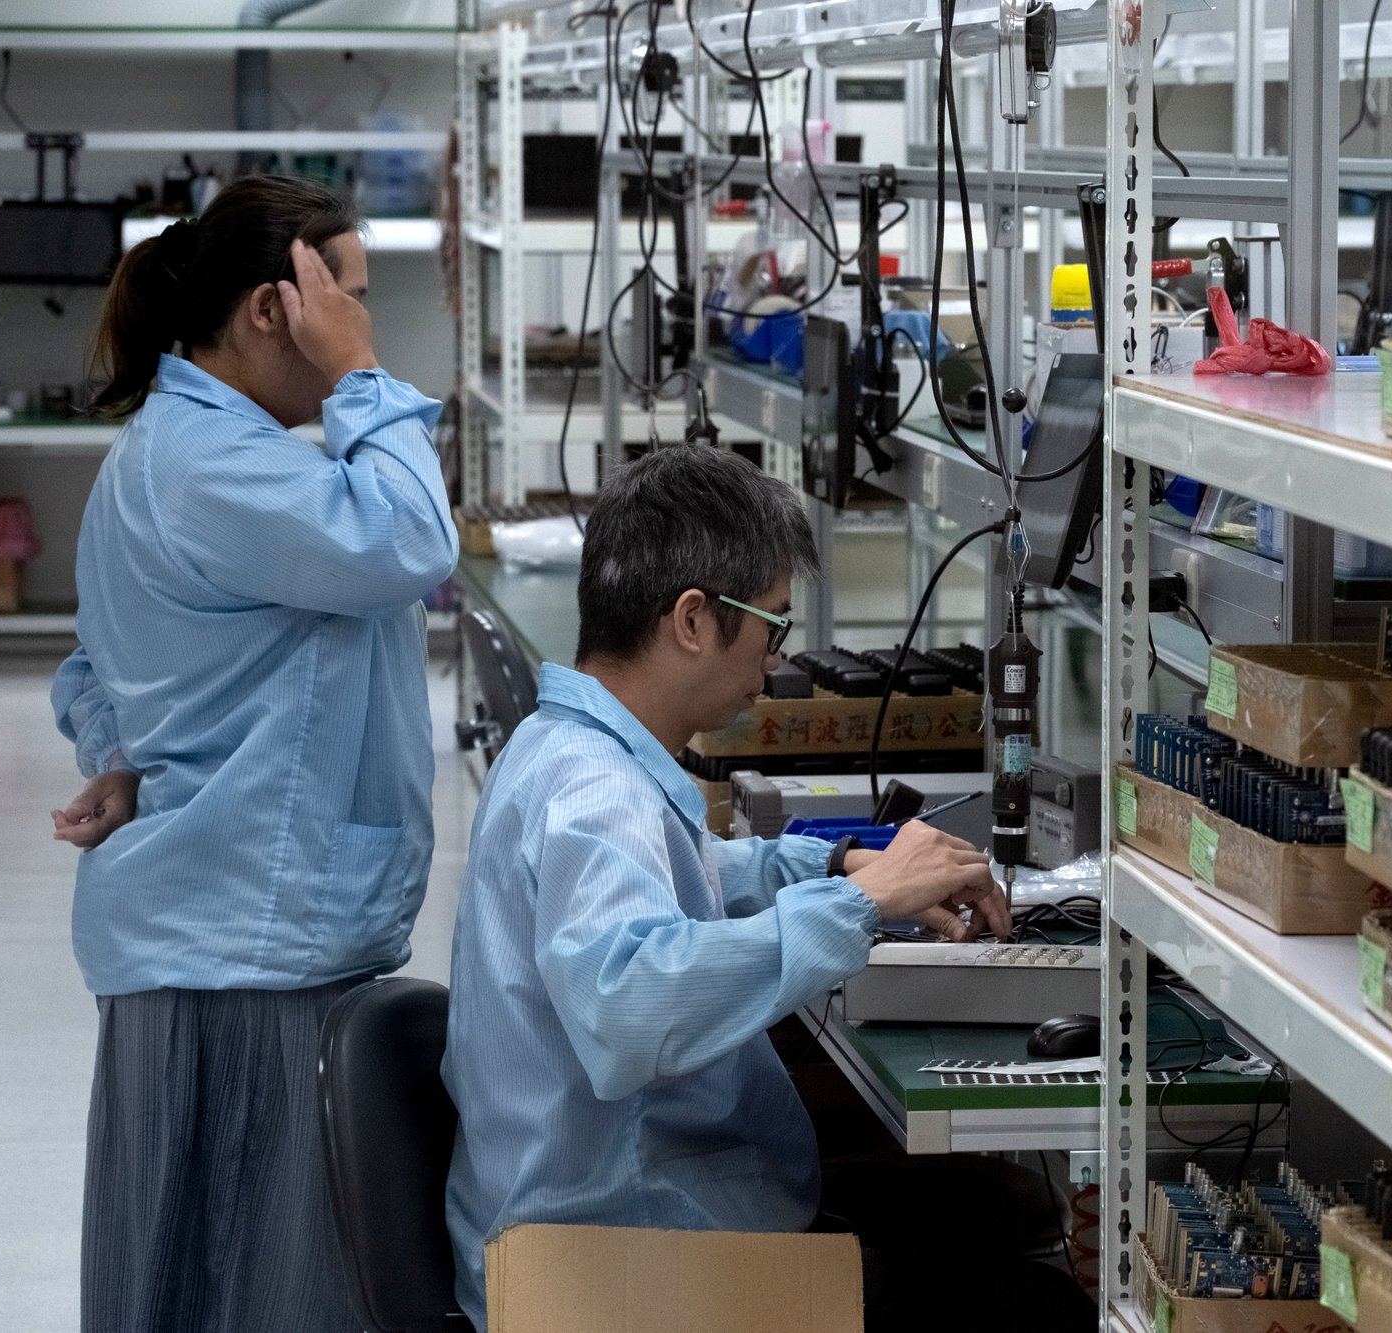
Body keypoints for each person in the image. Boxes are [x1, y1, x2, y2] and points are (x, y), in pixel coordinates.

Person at [442, 446, 1096, 1332]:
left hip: (584, 1226)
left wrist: (831, 863)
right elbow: (629, 1004)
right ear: (692, 619)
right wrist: (859, 905)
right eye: (772, 627)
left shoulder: (562, 745)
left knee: (977, 1214)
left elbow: (687, 880)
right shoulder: (594, 790)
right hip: (619, 1268)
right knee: (1040, 1305)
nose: (775, 662)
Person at [48, 175, 457, 1333]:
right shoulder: (217, 466)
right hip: (248, 945)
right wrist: (362, 376)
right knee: (261, 1287)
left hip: (220, 929)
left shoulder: (182, 448)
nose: (362, 323)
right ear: (278, 308)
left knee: (196, 1279)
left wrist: (124, 753)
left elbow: (90, 668)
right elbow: (410, 541)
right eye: (349, 297)